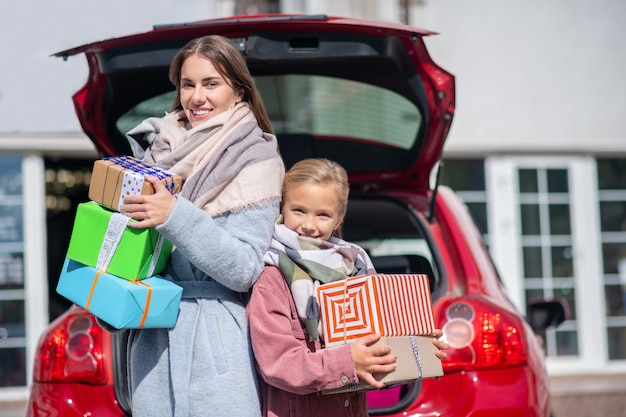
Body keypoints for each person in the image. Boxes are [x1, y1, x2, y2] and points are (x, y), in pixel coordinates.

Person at [119, 35, 285, 417]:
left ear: (239, 91)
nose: (197, 97)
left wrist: (174, 215)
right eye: (188, 84)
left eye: (212, 84)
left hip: (215, 343)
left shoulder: (256, 159)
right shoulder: (155, 151)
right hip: (153, 341)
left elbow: (244, 268)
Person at [247, 158, 448, 417]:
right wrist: (348, 362)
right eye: (299, 210)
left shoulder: (355, 267)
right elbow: (278, 364)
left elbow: (375, 351)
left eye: (323, 215)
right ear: (282, 207)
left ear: (339, 217)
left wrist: (417, 349)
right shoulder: (272, 277)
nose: (308, 225)